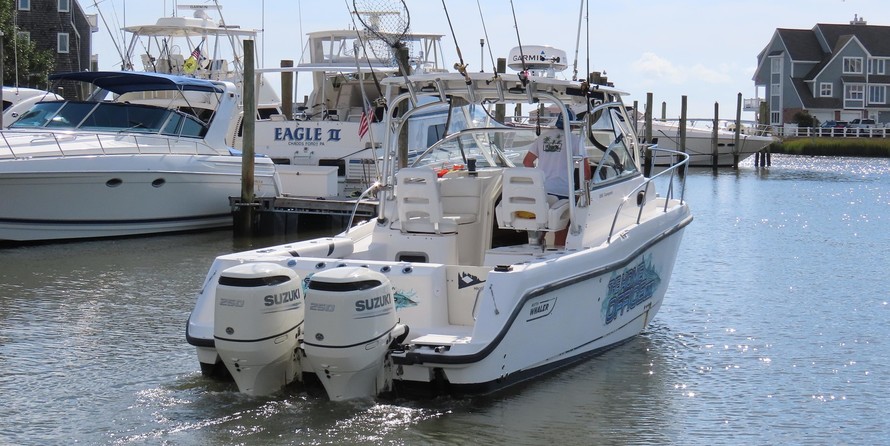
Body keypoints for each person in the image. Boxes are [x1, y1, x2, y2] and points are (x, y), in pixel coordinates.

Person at [522, 109, 590, 246]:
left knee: (541, 226)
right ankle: (557, 257)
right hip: (563, 192)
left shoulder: (542, 137)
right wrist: (585, 191)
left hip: (543, 191)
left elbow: (527, 162)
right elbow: (586, 169)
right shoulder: (575, 140)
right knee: (561, 229)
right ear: (572, 124)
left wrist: (536, 183)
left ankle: (536, 253)